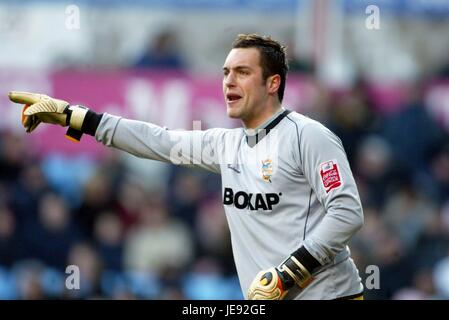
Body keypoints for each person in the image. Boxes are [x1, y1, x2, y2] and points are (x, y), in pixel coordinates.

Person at [8, 34, 364, 300]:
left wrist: (288, 274)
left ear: (273, 83)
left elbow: (347, 212)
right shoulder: (226, 145)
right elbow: (156, 140)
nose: (229, 81)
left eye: (242, 72)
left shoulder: (309, 137)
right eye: (226, 72)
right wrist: (72, 116)